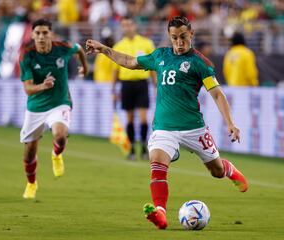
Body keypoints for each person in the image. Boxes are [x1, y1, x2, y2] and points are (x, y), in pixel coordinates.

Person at [86, 16, 248, 230]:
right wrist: (103, 49)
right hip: (164, 128)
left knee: (216, 171)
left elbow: (217, 95)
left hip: (194, 128)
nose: (179, 42)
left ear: (191, 34)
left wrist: (231, 123)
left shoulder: (201, 63)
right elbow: (129, 62)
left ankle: (229, 169)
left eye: (183, 37)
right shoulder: (160, 55)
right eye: (174, 38)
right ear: (169, 37)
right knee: (157, 165)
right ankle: (160, 213)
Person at [19, 19, 88, 199]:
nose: (41, 37)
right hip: (36, 107)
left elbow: (79, 49)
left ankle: (56, 155)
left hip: (59, 102)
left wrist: (85, 68)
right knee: (29, 154)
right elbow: (27, 89)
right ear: (32, 35)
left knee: (60, 135)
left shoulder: (63, 47)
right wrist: (42, 86)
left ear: (51, 34)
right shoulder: (27, 55)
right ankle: (31, 183)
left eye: (45, 33)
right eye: (38, 33)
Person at [112, 16, 156, 160]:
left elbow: (153, 67)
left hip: (142, 83)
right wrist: (113, 90)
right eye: (124, 25)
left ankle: (143, 146)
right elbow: (115, 70)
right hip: (126, 84)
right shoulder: (118, 46)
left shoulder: (146, 43)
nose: (127, 27)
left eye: (130, 24)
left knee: (143, 118)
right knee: (129, 119)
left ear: (135, 26)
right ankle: (131, 148)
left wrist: (156, 85)